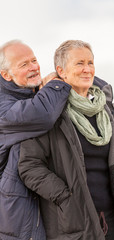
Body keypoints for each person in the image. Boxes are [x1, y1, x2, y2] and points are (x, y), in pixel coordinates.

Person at [19, 40, 114, 240]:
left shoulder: (105, 108)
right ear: (61, 71)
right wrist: (65, 196)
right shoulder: (49, 112)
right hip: (75, 221)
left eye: (90, 63)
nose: (87, 69)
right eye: (79, 63)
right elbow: (29, 166)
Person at [0, 40, 71, 240]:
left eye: (34, 60)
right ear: (6, 75)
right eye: (24, 64)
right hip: (17, 216)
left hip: (42, 204)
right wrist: (57, 83)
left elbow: (87, 79)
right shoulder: (3, 107)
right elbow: (42, 115)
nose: (34, 67)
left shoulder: (31, 92)